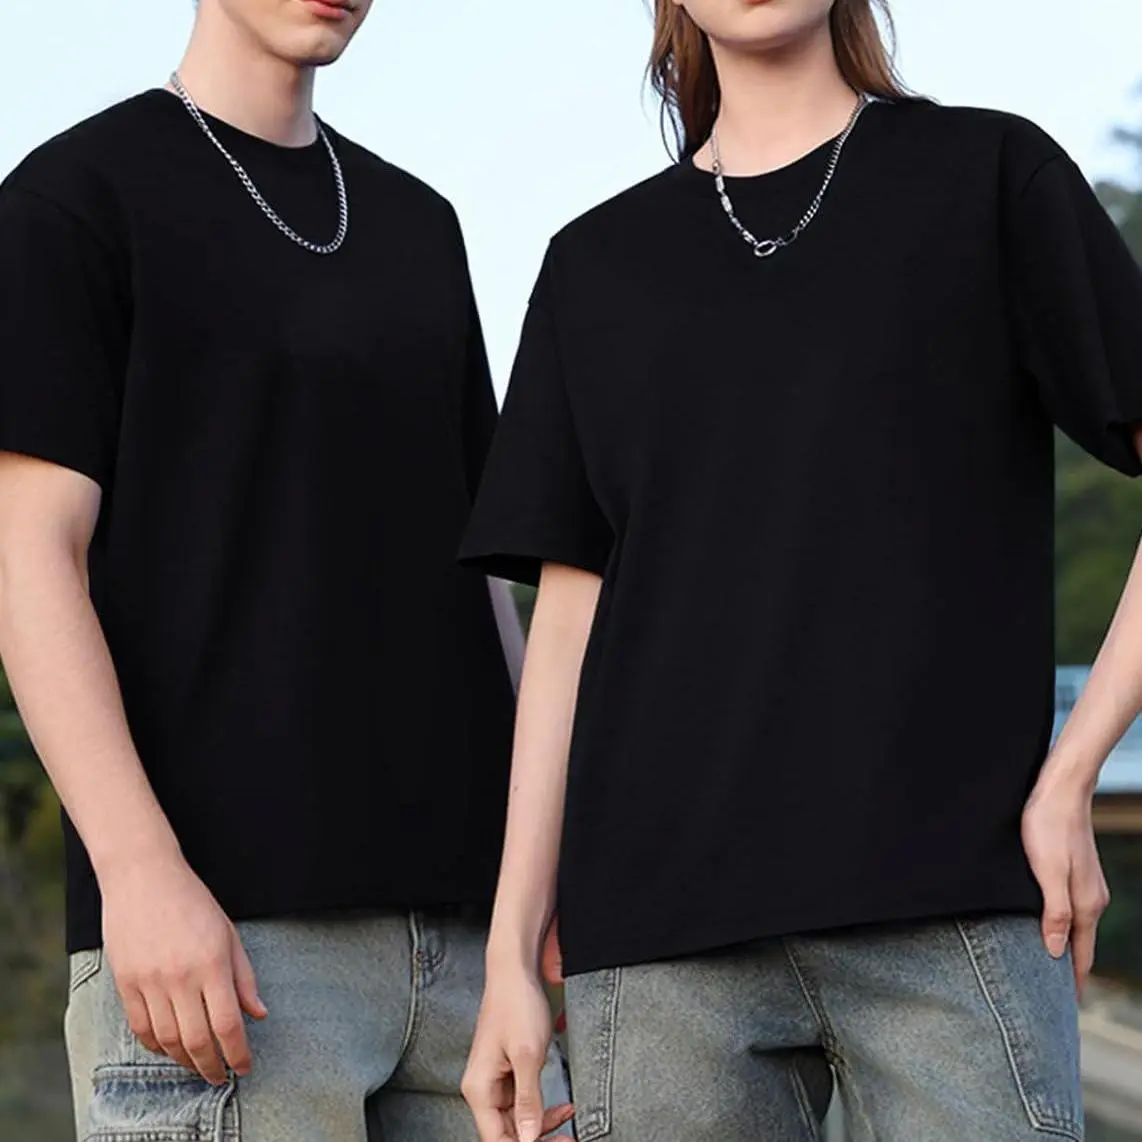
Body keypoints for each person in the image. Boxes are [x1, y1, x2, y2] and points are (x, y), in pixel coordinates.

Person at [458, 1, 1142, 1139]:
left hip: (952, 910)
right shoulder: (594, 265)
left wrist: (1071, 775)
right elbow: (566, 629)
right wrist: (507, 957)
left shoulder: (987, 176)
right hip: (659, 946)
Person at [0, 1, 571, 1139]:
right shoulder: (73, 200)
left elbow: (489, 591)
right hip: (224, 953)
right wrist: (139, 874)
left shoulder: (421, 227)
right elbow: (27, 560)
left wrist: (540, 879)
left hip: (470, 961)